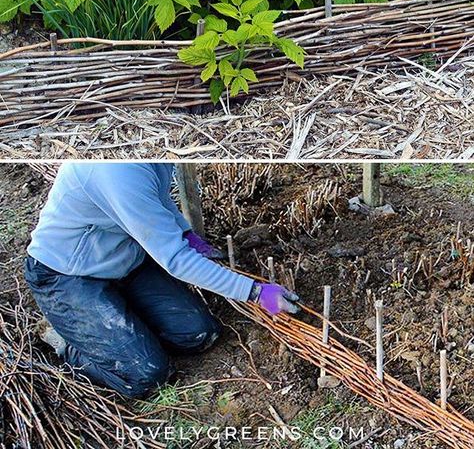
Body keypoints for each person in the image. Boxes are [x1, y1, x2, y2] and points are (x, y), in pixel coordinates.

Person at [25, 163, 299, 398]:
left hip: (124, 259)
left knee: (199, 334)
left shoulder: (152, 157)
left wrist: (186, 233)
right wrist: (254, 293)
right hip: (68, 273)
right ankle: (66, 342)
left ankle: (119, 325)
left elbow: (156, 196)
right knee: (145, 374)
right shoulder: (116, 172)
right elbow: (175, 259)